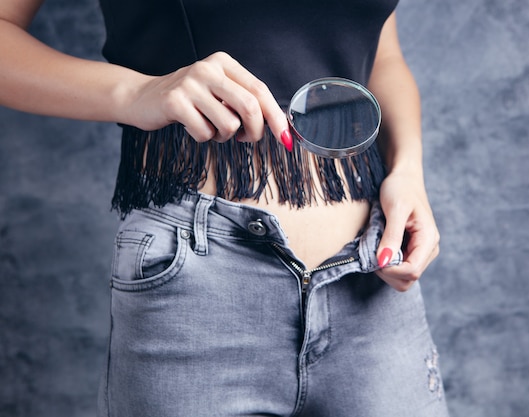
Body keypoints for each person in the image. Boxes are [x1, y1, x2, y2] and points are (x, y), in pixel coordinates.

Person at [0, 0, 449, 416]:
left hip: (371, 277)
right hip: (197, 290)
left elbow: (380, 56)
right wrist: (137, 93)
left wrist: (407, 170)